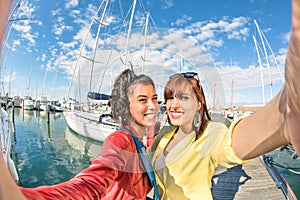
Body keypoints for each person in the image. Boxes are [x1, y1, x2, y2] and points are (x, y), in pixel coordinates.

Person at [149, 0, 300, 199]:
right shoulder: (165, 134)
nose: (173, 105)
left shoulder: (210, 135)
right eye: (170, 97)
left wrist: (282, 115)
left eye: (184, 98)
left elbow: (232, 145)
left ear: (199, 104)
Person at [1, 69, 160, 199]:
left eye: (155, 99)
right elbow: (90, 184)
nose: (152, 106)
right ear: (127, 106)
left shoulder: (142, 141)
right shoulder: (120, 140)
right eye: (143, 100)